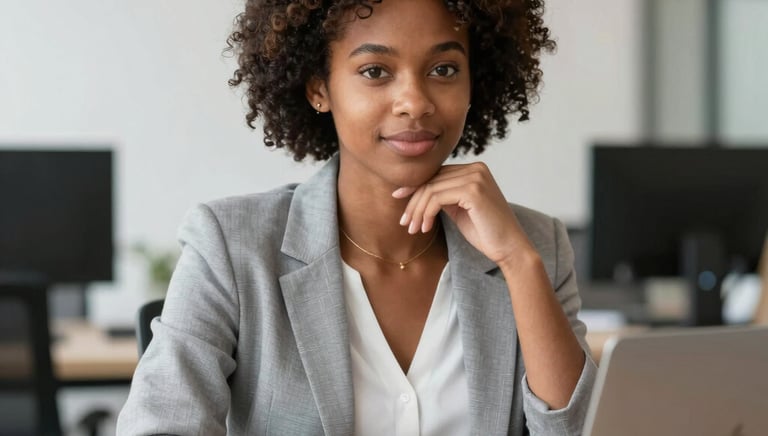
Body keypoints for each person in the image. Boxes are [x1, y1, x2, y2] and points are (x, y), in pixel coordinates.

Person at [117, 0, 596, 434]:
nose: (415, 102)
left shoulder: (536, 246)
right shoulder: (231, 246)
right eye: (375, 71)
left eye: (444, 69)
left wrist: (518, 263)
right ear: (319, 88)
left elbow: (578, 430)